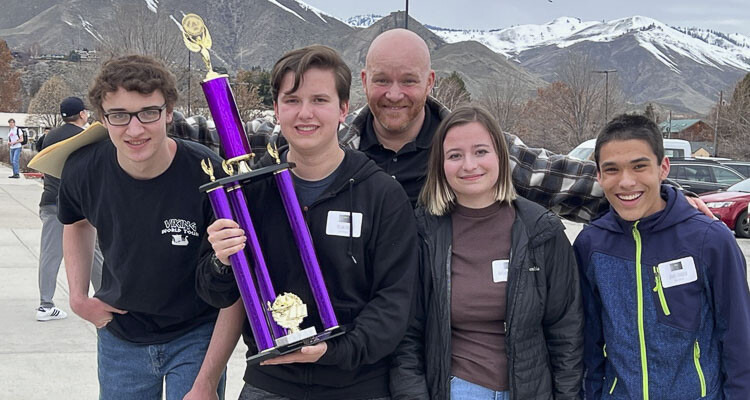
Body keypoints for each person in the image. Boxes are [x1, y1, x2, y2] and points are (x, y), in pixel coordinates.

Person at [192, 45, 417, 400]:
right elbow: (214, 293)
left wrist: (333, 349)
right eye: (293, 100)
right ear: (277, 110)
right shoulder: (246, 192)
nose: (305, 113)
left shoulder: (381, 195)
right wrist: (222, 262)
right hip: (270, 386)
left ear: (343, 109)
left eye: (320, 100)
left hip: (357, 386)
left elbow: (394, 303)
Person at [57, 55, 227, 399]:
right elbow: (76, 223)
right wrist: (77, 297)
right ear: (102, 119)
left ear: (168, 111)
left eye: (148, 112)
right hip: (121, 336)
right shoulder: (84, 169)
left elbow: (235, 275)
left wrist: (208, 378)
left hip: (195, 333)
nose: (134, 129)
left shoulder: (208, 172)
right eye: (119, 116)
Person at [390, 105, 583, 399]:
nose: (469, 165)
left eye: (481, 151)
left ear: (501, 157)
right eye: (455, 155)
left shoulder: (541, 231)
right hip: (457, 388)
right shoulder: (423, 233)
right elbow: (407, 337)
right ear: (440, 165)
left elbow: (566, 331)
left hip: (531, 390)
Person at [574, 114, 750, 399]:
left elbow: (739, 341)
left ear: (663, 167)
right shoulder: (591, 245)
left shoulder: (710, 241)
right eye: (612, 170)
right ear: (599, 176)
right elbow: (589, 342)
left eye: (639, 166)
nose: (626, 181)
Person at [36, 96, 104, 321]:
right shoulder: (88, 137)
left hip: (51, 201)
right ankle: (107, 296)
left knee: (50, 254)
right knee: (94, 253)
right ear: (83, 114)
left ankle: (46, 304)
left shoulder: (50, 137)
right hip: (79, 206)